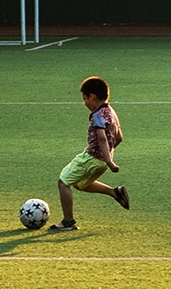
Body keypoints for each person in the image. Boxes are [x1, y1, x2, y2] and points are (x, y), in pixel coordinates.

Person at [46, 75, 129, 231]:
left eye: (85, 99)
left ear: (92, 97)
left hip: (91, 158)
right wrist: (108, 156)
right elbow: (119, 137)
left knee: (63, 182)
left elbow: (102, 138)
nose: (85, 103)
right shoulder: (111, 111)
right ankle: (115, 193)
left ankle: (68, 222)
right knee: (80, 184)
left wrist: (109, 161)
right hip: (102, 162)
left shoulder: (97, 115)